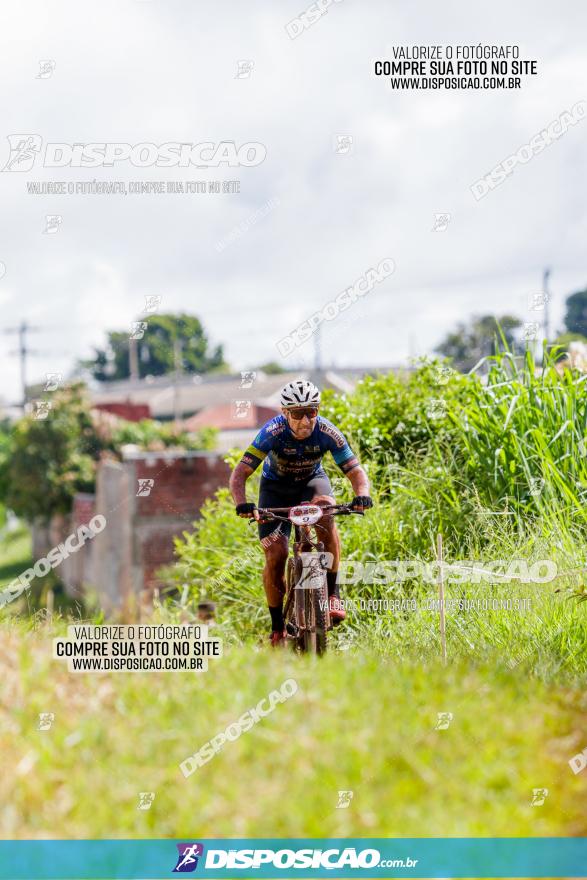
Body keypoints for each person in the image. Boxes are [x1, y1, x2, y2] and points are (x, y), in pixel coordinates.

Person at [229, 379, 372, 646]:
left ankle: (332, 593)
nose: (306, 420)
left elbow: (354, 470)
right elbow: (240, 474)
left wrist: (362, 494)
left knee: (327, 512)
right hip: (275, 490)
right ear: (285, 414)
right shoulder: (271, 432)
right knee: (276, 553)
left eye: (312, 411)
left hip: (311, 483)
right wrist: (242, 503)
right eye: (297, 413)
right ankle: (277, 627)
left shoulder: (328, 432)